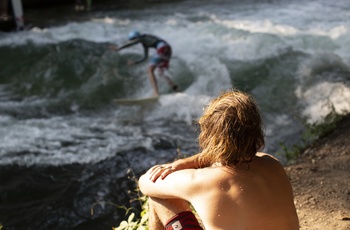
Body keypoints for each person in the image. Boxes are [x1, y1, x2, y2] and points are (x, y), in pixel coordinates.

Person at [138, 89, 300, 230]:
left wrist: (179, 166)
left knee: (159, 197)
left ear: (210, 136)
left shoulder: (203, 182)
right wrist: (183, 163)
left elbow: (146, 183)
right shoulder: (273, 164)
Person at [109, 31, 178, 96]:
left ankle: (155, 92)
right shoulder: (145, 43)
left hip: (162, 48)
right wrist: (135, 62)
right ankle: (175, 88)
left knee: (150, 70)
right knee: (160, 73)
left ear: (136, 37)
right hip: (168, 49)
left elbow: (131, 43)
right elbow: (145, 57)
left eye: (133, 39)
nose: (133, 41)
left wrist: (119, 48)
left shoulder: (142, 37)